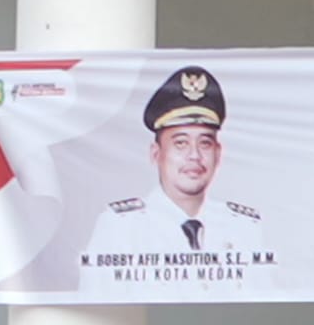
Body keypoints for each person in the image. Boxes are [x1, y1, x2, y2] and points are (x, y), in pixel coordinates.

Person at [85, 65, 263, 256]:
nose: (194, 155)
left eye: (204, 143)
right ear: (156, 153)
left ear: (218, 154)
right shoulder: (120, 228)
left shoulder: (242, 227)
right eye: (180, 143)